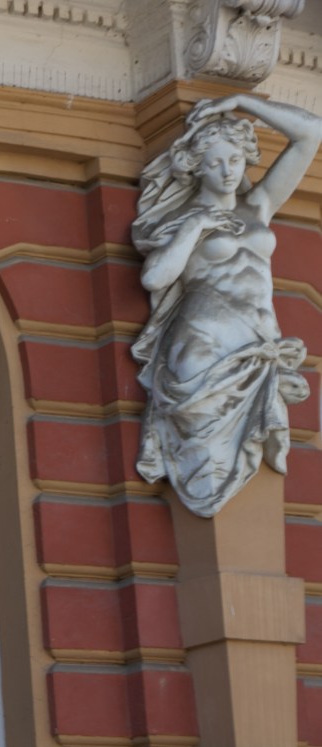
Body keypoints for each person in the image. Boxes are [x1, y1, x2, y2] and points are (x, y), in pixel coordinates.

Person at [132, 94, 321, 517]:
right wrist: (196, 227)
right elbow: (155, 278)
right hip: (203, 351)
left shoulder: (258, 207)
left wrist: (243, 101)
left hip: (258, 349)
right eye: (216, 162)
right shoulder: (180, 220)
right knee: (208, 469)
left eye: (235, 160)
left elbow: (311, 133)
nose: (227, 171)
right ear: (197, 165)